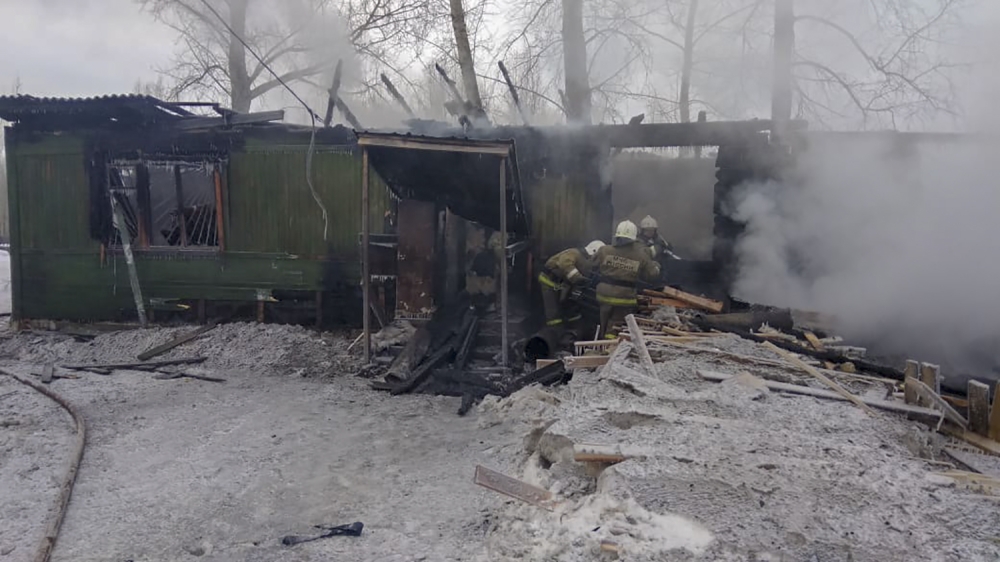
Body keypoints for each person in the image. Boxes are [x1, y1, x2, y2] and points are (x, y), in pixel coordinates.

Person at [595, 220, 660, 339]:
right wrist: (656, 266)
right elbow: (652, 275)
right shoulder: (641, 255)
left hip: (603, 295)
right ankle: (609, 348)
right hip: (624, 298)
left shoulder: (604, 250)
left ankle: (600, 341)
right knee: (616, 326)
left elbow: (591, 265)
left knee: (603, 322)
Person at [538, 240, 605, 329]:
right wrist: (577, 278)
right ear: (593, 252)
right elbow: (565, 264)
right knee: (553, 313)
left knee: (568, 309)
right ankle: (554, 332)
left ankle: (570, 329)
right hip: (549, 281)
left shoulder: (588, 261)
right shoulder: (574, 253)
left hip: (562, 285)